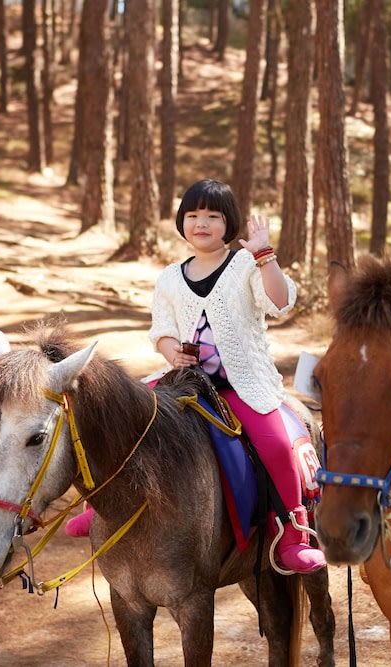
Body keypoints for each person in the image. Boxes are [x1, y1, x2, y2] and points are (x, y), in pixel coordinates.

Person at [147, 178, 324, 574]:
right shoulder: (171, 277)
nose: (202, 223)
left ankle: (294, 535)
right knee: (128, 414)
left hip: (242, 386)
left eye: (213, 215)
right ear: (181, 221)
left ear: (229, 222)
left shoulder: (245, 264)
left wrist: (265, 255)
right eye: (193, 215)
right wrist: (170, 350)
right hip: (186, 383)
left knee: (276, 445)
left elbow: (280, 301)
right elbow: (161, 328)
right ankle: (104, 504)